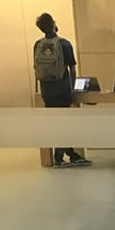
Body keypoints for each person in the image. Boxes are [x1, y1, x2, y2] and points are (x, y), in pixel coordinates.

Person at [34, 13, 90, 168]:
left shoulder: (37, 45)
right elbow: (72, 69)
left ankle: (65, 154)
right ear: (54, 25)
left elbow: (36, 69)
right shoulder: (64, 44)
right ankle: (64, 156)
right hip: (62, 88)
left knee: (55, 123)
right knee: (64, 123)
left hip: (46, 90)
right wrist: (74, 88)